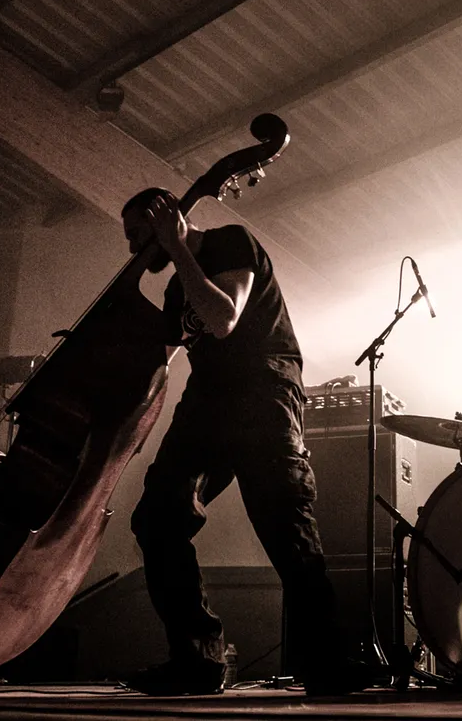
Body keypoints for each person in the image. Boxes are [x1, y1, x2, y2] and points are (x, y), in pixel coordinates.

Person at [120, 187, 365, 696]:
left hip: (263, 390)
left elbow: (223, 318)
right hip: (208, 400)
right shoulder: (172, 293)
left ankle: (329, 665)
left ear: (166, 217)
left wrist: (178, 247)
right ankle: (198, 660)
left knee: (285, 528)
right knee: (157, 519)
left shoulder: (230, 243)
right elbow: (154, 356)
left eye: (138, 234)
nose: (132, 250)